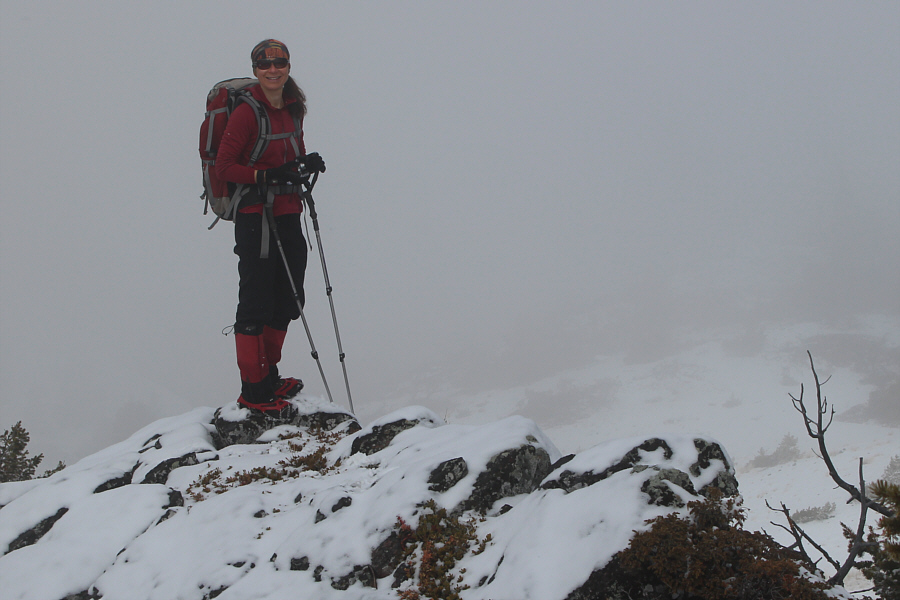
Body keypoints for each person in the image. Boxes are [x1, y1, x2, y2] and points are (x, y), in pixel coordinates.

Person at [215, 39, 326, 415]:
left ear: (289, 66)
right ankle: (254, 391)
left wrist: (304, 163)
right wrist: (268, 175)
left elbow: (289, 150)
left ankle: (269, 375)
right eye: (265, 65)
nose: (272, 70)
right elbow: (225, 168)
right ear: (256, 69)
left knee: (290, 296)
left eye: (279, 63)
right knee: (256, 301)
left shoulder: (294, 106)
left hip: (288, 208)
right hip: (254, 215)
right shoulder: (247, 113)